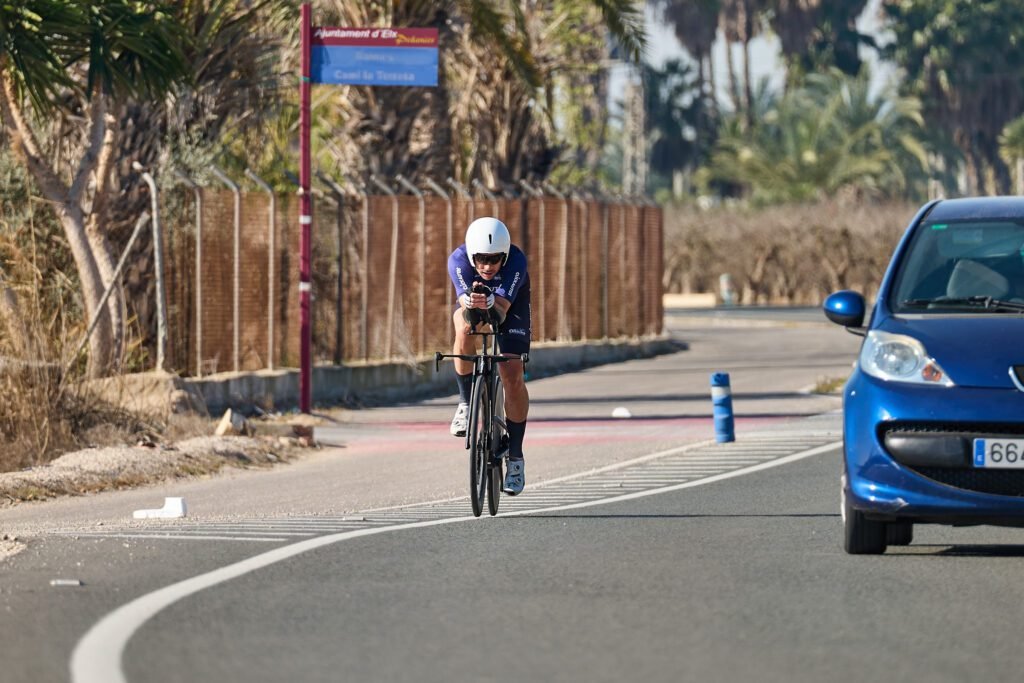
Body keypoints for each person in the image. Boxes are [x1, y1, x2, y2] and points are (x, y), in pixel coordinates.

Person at [447, 216, 531, 495]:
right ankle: (465, 403)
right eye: (480, 259)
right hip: (476, 305)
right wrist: (473, 303)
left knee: (511, 371)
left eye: (494, 260)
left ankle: (516, 458)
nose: (487, 266)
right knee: (463, 325)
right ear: (471, 255)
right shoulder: (457, 261)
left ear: (504, 256)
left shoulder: (516, 262)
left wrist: (493, 301)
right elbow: (468, 312)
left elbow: (501, 314)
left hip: (510, 306)